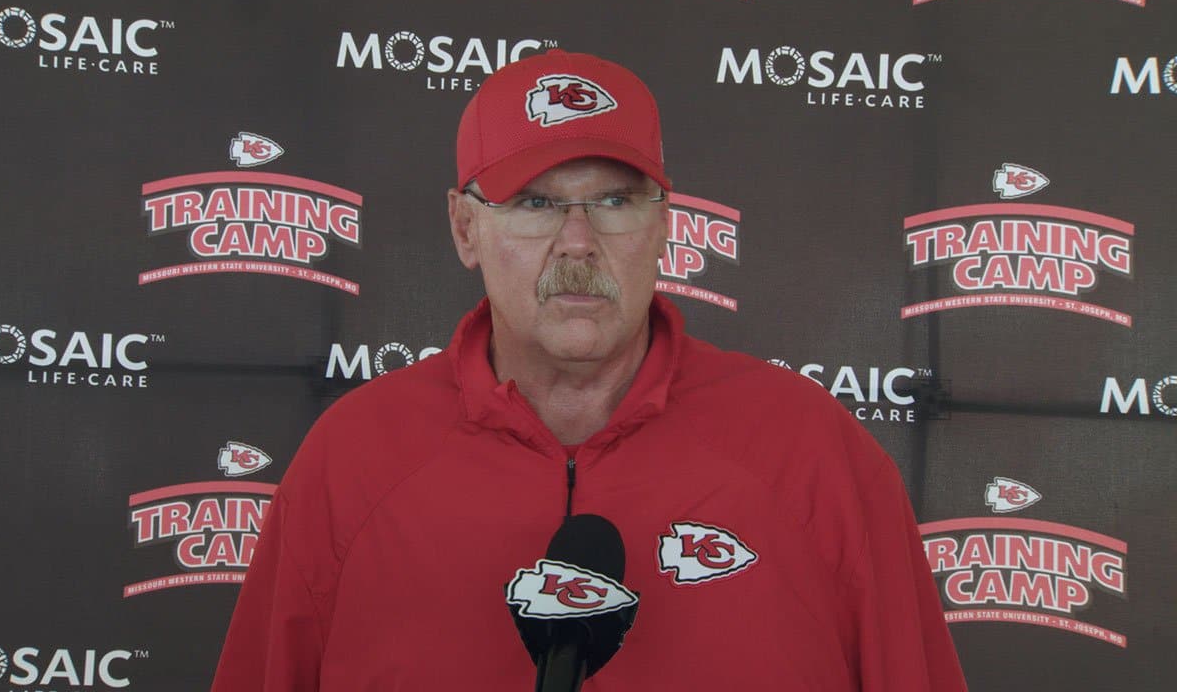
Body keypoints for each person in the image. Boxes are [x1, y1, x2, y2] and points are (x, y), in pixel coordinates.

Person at [211, 50, 968, 691]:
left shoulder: (812, 453)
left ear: (665, 224)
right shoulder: (353, 459)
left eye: (614, 199)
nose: (578, 242)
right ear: (465, 226)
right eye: (537, 202)